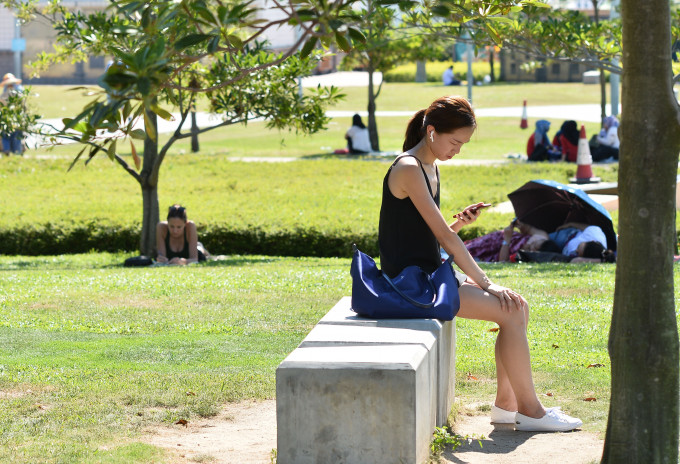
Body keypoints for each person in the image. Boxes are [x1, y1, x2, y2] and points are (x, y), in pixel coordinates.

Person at [378, 95, 582, 432]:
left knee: (518, 306)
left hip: (430, 274)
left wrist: (459, 224)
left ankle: (508, 406)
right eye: (455, 141)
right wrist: (486, 282)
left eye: (464, 143)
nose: (458, 150)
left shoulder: (429, 166)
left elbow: (426, 234)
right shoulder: (409, 168)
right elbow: (443, 239)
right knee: (511, 309)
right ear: (431, 132)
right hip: (412, 285)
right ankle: (530, 410)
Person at [545, 222, 616, 262]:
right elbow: (586, 227)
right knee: (542, 237)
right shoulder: (595, 234)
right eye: (579, 247)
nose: (576, 250)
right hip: (567, 235)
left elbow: (575, 261)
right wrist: (571, 224)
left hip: (561, 250)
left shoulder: (594, 256)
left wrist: (601, 261)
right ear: (591, 241)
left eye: (578, 253)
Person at [0, 73, 26, 156]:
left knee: (5, 136)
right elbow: (23, 108)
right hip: (17, 120)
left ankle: (6, 151)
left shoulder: (3, 96)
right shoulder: (19, 95)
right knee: (16, 137)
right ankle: (17, 152)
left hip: (5, 120)